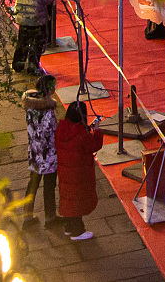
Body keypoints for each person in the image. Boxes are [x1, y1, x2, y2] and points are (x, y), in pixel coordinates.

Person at [54, 101, 105, 240]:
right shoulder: (82, 135)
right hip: (79, 174)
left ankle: (69, 227)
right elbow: (94, 145)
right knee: (77, 201)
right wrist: (97, 131)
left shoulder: (62, 128)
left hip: (65, 172)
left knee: (68, 198)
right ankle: (78, 231)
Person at [22, 74, 59, 225]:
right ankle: (50, 217)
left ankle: (27, 217)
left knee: (33, 184)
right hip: (48, 155)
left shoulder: (30, 107)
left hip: (35, 152)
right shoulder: (48, 113)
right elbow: (52, 133)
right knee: (49, 187)